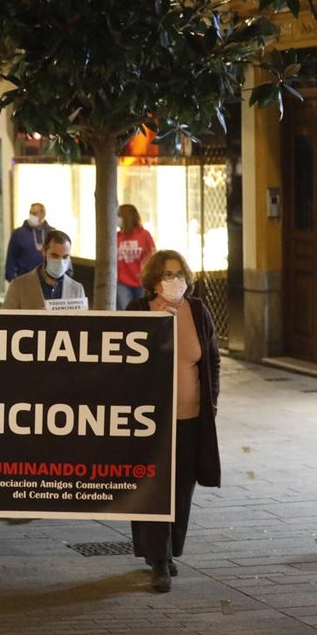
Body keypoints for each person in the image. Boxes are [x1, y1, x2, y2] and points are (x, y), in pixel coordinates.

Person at [126, 250, 220, 593]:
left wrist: (213, 399)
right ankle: (160, 561)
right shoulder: (138, 312)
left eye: (179, 273)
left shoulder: (197, 311)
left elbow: (211, 358)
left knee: (181, 489)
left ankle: (167, 551)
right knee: (152, 489)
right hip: (149, 422)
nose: (175, 280)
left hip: (190, 417)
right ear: (153, 279)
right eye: (167, 274)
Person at [2, 230, 86, 310]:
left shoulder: (77, 290)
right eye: (55, 256)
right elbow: (5, 321)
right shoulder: (18, 286)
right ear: (44, 251)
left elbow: (83, 322)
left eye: (65, 257)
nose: (60, 262)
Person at [117, 204, 156, 310]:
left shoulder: (144, 235)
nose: (117, 219)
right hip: (122, 283)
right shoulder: (117, 237)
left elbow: (153, 257)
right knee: (126, 312)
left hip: (141, 282)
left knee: (142, 311)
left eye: (119, 215)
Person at [5, 203, 53, 281]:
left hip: (45, 280)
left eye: (34, 213)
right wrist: (11, 278)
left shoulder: (51, 233)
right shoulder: (18, 233)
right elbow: (11, 258)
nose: (31, 216)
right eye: (30, 213)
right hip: (23, 280)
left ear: (43, 214)